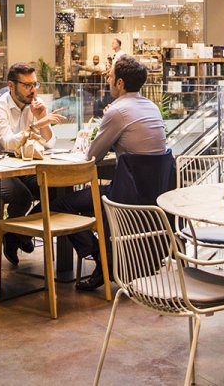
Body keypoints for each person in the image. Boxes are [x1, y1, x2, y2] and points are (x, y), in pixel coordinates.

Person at [55, 56, 168, 291]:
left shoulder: (117, 111)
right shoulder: (152, 107)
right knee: (89, 198)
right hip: (154, 196)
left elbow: (92, 157)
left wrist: (109, 119)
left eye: (109, 76)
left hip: (125, 196)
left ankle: (101, 259)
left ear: (120, 83)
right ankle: (107, 259)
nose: (107, 79)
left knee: (60, 205)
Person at [0, 62, 66, 265]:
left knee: (55, 190)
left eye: (34, 84)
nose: (33, 90)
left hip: (21, 168)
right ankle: (15, 233)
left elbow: (49, 144)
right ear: (11, 86)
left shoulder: (33, 107)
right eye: (27, 85)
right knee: (22, 196)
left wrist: (42, 117)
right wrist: (35, 124)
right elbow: (8, 144)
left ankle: (15, 234)